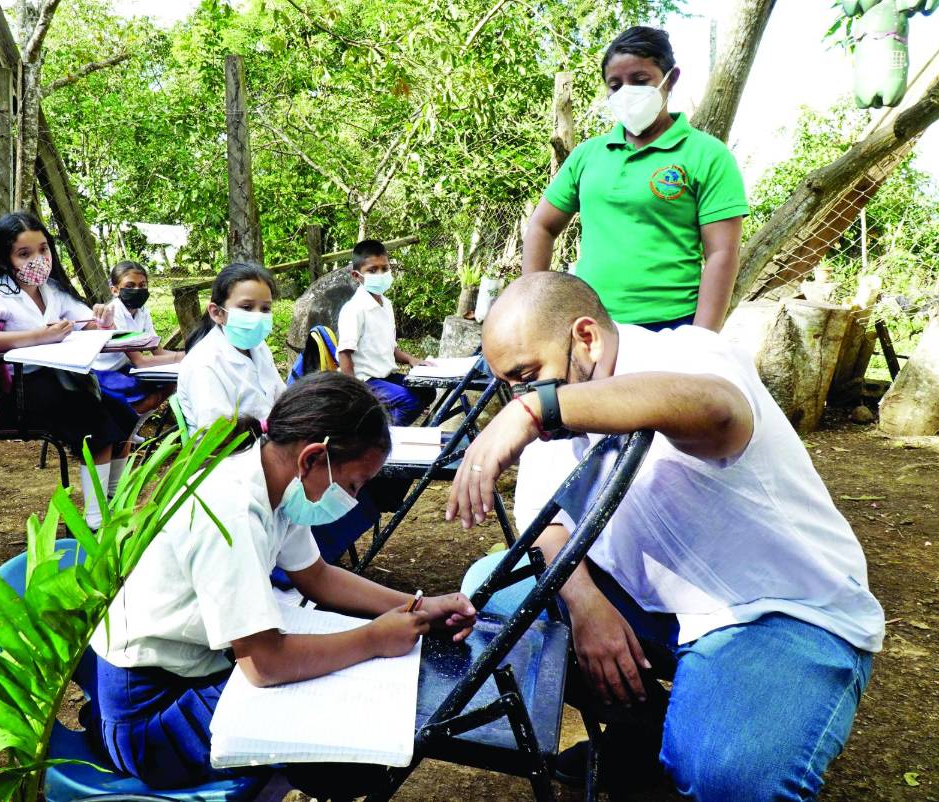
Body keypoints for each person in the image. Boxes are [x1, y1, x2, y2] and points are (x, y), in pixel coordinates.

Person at [448, 272, 884, 801]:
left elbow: (719, 412)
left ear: (586, 337)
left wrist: (538, 407)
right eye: (510, 385)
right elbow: (548, 525)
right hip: (659, 608)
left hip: (775, 610)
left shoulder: (686, 353)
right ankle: (646, 733)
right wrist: (587, 608)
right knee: (496, 595)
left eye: (528, 375)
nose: (520, 394)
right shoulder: (554, 406)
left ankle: (710, 730)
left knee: (729, 777)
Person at [85, 371, 476, 794]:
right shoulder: (232, 509)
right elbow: (265, 663)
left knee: (344, 740)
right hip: (151, 722)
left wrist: (419, 605)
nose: (352, 498)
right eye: (352, 485)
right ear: (312, 458)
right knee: (345, 754)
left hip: (190, 677)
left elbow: (317, 577)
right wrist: (374, 639)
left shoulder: (275, 484)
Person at [521, 26, 748, 333]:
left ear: (671, 79)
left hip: (670, 327)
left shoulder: (708, 156)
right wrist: (534, 309)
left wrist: (700, 338)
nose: (626, 92)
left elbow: (722, 253)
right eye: (615, 85)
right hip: (589, 323)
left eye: (640, 81)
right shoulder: (588, 155)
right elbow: (542, 226)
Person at [0, 211, 137, 528]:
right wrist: (38, 336)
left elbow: (86, 322)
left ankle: (112, 503)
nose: (37, 259)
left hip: (61, 383)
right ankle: (95, 522)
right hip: (19, 392)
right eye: (24, 254)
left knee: (121, 414)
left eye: (43, 249)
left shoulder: (52, 290)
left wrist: (101, 322)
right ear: (5, 259)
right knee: (94, 420)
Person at [176, 262, 285, 432]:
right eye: (246, 307)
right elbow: (216, 434)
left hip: (269, 439)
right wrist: (268, 428)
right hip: (232, 452)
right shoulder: (204, 363)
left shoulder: (258, 347)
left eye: (265, 308)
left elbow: (281, 399)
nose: (258, 316)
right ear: (217, 313)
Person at [336, 240, 434, 426]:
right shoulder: (354, 309)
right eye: (372, 270)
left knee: (427, 391)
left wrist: (411, 359)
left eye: (384, 269)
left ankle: (384, 427)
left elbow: (390, 347)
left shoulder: (386, 305)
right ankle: (383, 441)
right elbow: (344, 353)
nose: (380, 274)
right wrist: (353, 393)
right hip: (365, 381)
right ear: (357, 276)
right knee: (409, 401)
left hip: (385, 376)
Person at [91, 260, 182, 415]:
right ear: (115, 290)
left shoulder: (142, 312)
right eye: (130, 286)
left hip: (125, 367)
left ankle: (132, 425)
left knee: (173, 380)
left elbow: (158, 352)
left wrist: (188, 356)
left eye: (142, 285)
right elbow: (141, 361)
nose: (138, 290)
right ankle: (127, 428)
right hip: (105, 373)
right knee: (148, 388)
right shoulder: (114, 314)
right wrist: (185, 356)